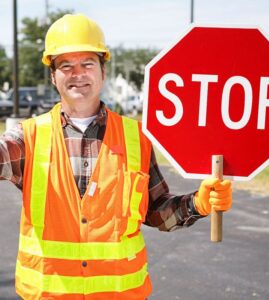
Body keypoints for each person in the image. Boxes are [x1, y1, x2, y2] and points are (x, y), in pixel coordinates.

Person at [0, 14, 232, 300]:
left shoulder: (136, 137)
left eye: (87, 64)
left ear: (103, 71)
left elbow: (156, 212)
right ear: (53, 75)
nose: (78, 74)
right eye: (66, 65)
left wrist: (198, 203)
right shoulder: (26, 138)